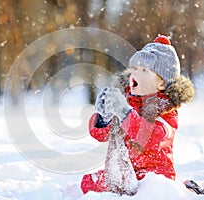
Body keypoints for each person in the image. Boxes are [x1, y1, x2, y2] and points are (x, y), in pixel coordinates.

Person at [81, 35, 195, 194]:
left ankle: (181, 189)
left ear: (161, 83)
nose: (135, 73)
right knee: (88, 183)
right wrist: (103, 118)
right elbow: (103, 135)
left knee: (147, 191)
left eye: (144, 70)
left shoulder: (167, 111)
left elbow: (150, 137)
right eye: (135, 68)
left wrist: (123, 113)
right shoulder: (127, 102)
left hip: (154, 175)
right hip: (126, 172)